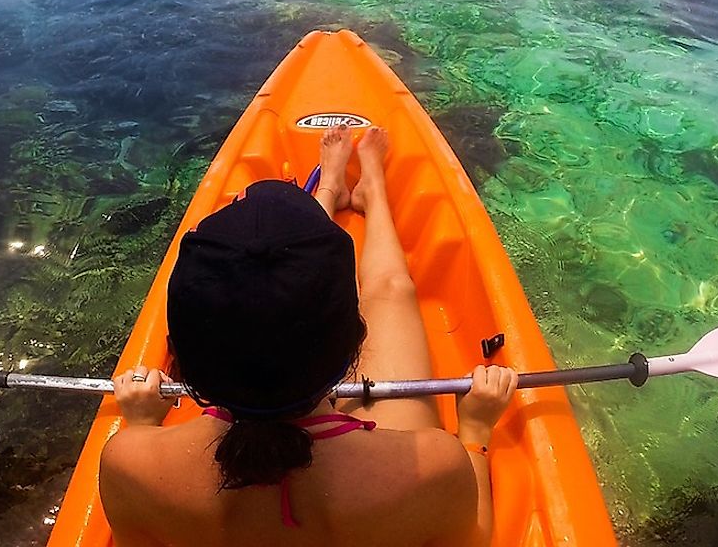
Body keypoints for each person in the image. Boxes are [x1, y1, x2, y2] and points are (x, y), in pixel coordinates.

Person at [100, 125, 518, 547]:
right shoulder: (434, 467)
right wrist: (475, 434)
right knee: (391, 288)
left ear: (177, 358)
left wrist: (141, 425)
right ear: (356, 346)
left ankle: (330, 191)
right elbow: (474, 540)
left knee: (348, 291)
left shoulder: (129, 462)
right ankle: (370, 195)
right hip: (367, 475)